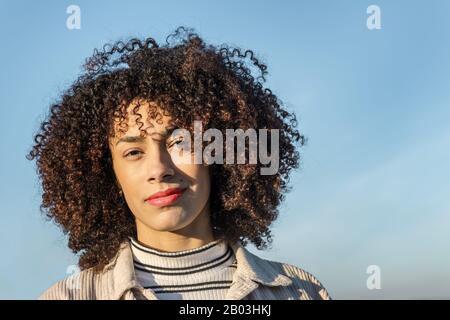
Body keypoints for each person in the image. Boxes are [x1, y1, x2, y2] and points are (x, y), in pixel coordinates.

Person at [27, 26, 331, 300]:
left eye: (180, 142)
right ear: (110, 175)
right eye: (133, 152)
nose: (159, 169)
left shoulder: (301, 291)